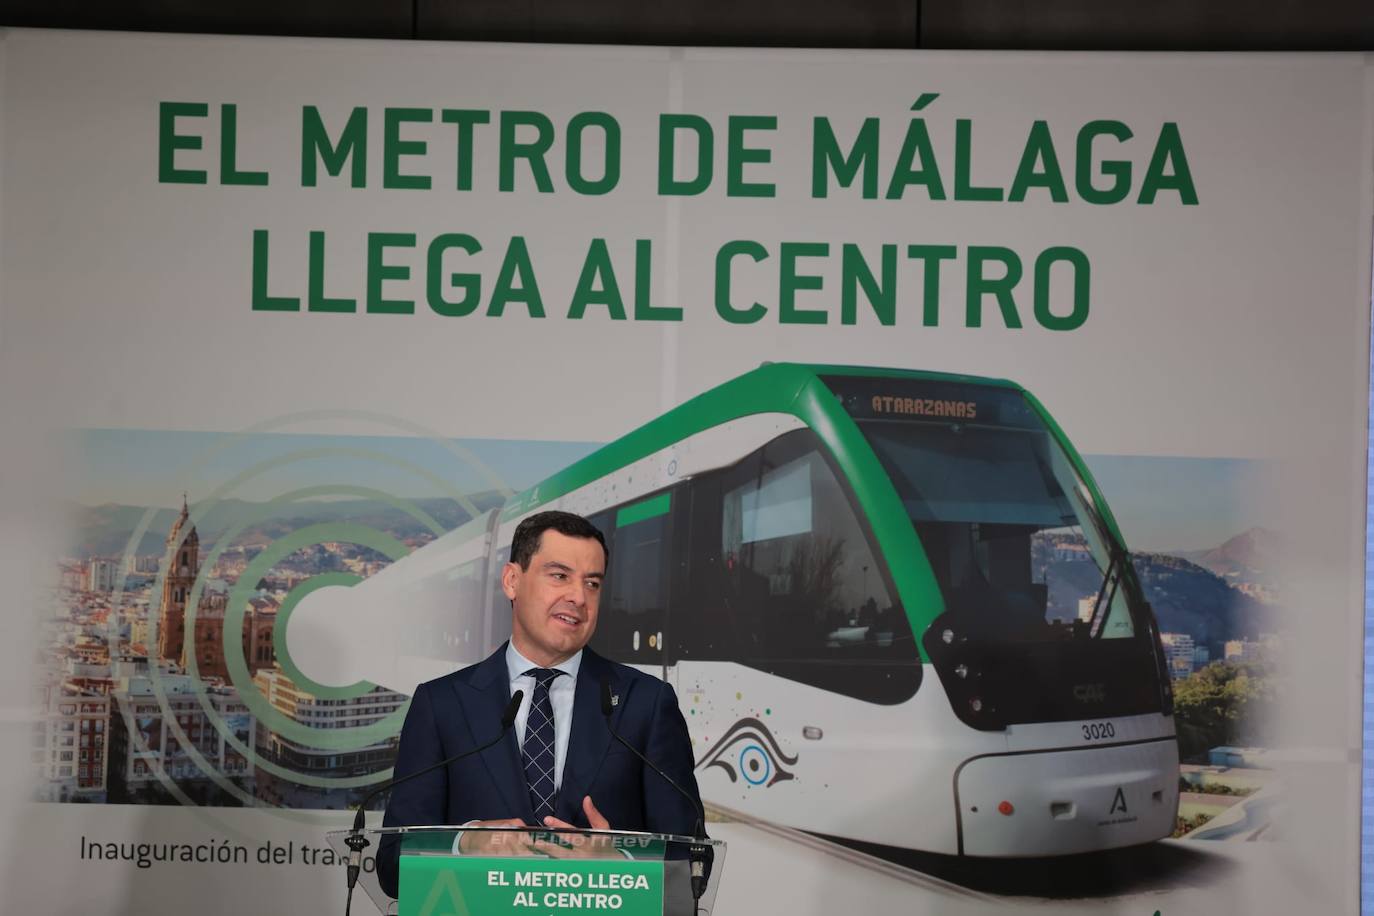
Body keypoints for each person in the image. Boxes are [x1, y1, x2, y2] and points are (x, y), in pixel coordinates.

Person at [376, 510, 704, 898]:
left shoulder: (646, 703)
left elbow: (694, 865)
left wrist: (622, 867)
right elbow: (394, 864)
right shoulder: (442, 703)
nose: (578, 597)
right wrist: (465, 843)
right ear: (512, 581)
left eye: (593, 583)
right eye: (560, 576)